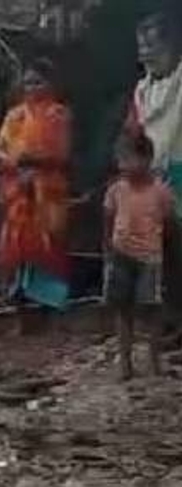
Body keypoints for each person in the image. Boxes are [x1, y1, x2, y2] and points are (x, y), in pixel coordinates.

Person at [0, 59, 73, 331]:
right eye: (27, 82)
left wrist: (33, 162)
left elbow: (62, 154)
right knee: (18, 252)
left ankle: (47, 314)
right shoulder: (14, 116)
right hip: (18, 194)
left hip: (47, 196)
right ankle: (21, 314)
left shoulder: (58, 115)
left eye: (38, 81)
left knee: (47, 249)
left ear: (50, 84)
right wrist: (15, 165)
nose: (32, 87)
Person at [103, 134, 178, 379]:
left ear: (146, 159)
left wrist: (167, 256)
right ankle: (125, 364)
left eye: (128, 158)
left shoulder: (161, 191)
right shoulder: (117, 189)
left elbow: (170, 226)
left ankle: (154, 361)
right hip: (121, 254)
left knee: (151, 310)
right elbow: (108, 219)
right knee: (122, 310)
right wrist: (108, 252)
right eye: (120, 159)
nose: (122, 165)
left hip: (150, 258)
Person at [127, 13, 182, 330]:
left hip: (179, 177)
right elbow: (134, 134)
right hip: (152, 182)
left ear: (172, 46)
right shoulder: (141, 91)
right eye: (141, 46)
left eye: (152, 44)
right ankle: (169, 322)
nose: (145, 52)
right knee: (160, 257)